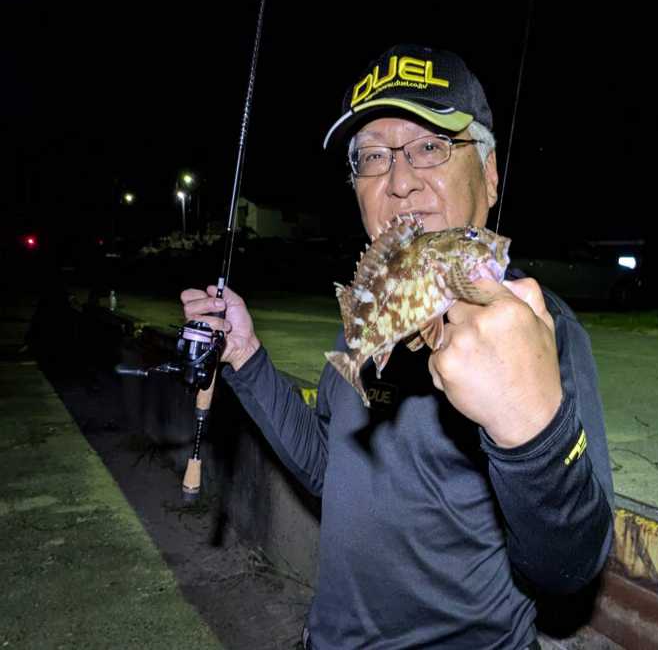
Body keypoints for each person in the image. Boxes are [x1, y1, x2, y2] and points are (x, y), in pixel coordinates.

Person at [181, 44, 614, 649]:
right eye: (373, 157)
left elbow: (571, 570)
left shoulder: (545, 333)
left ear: (489, 176)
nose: (400, 181)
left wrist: (532, 432)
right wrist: (246, 358)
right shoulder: (373, 313)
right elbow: (331, 468)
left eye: (431, 146)